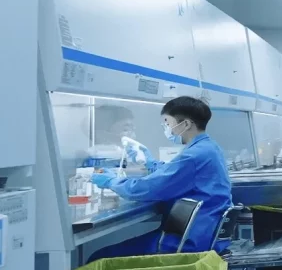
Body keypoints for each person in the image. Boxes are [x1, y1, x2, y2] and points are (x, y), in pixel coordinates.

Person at [88, 96, 233, 261]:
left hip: (186, 242)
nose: (166, 128)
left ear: (186, 124)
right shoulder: (209, 147)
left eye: (167, 123)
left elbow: (146, 189)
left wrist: (111, 181)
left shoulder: (194, 155)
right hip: (204, 234)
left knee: (98, 258)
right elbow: (175, 174)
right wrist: (151, 163)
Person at [85, 106, 160, 172]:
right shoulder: (95, 154)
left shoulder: (134, 154)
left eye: (133, 128)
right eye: (126, 129)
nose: (132, 133)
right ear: (105, 132)